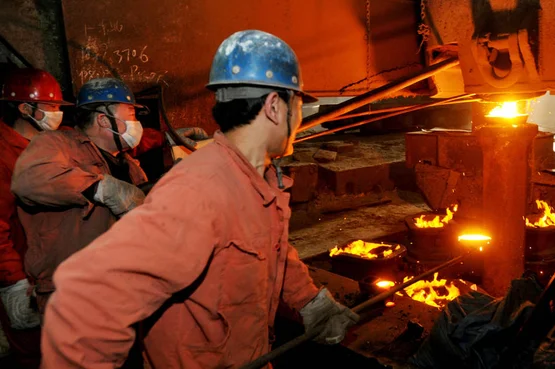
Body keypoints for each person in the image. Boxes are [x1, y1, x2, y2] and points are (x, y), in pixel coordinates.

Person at [39, 29, 359, 368]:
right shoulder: (198, 191)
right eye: (298, 105)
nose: (299, 120)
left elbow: (270, 248)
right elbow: (85, 308)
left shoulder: (259, 180)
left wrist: (309, 300)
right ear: (275, 107)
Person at [10, 77, 149, 319]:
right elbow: (29, 180)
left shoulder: (129, 165)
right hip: (74, 295)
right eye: (130, 114)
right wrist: (99, 188)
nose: (135, 123)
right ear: (104, 120)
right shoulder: (57, 144)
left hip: (122, 288)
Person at [0, 67, 72, 368]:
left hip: (55, 267)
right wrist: (13, 282)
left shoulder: (54, 140)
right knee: (36, 351)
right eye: (51, 107)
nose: (58, 114)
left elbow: (98, 137)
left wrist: (165, 137)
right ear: (25, 108)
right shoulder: (4, 155)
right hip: (26, 274)